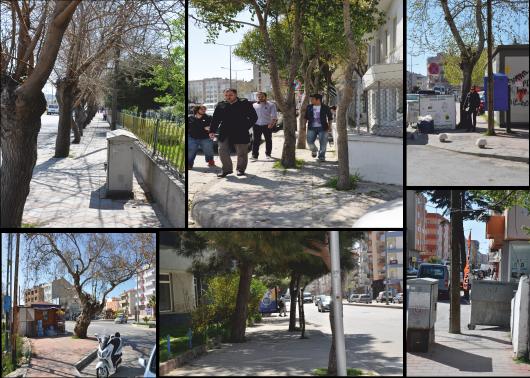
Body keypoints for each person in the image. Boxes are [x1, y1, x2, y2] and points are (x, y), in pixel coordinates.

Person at [209, 88, 258, 177]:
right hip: (225, 131)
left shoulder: (244, 103)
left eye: (230, 95)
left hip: (240, 131)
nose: (228, 97)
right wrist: (212, 131)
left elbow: (254, 117)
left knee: (241, 152)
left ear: (235, 95)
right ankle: (227, 169)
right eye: (226, 95)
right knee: (222, 150)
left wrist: (245, 127)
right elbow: (215, 119)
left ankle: (240, 169)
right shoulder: (221, 105)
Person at [304, 93, 333, 162]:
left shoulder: (325, 107)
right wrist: (303, 125)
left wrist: (330, 126)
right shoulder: (309, 107)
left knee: (323, 143)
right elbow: (306, 117)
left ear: (318, 100)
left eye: (312, 99)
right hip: (311, 127)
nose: (311, 100)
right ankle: (314, 150)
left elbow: (330, 117)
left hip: (323, 128)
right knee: (309, 141)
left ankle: (321, 156)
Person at [251, 92, 277, 161]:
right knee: (256, 141)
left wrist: (272, 124)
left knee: (268, 140)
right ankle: (254, 156)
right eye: (258, 97)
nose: (260, 98)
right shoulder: (254, 105)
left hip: (267, 125)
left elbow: (274, 116)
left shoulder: (271, 105)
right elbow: (251, 116)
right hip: (256, 125)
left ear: (265, 97)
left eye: (262, 96)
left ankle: (268, 154)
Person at [188, 105, 215, 169]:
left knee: (208, 150)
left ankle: (210, 160)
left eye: (204, 109)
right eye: (202, 109)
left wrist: (210, 129)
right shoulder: (190, 118)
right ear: (197, 110)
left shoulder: (208, 117)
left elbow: (212, 126)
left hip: (205, 138)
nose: (204, 111)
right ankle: (189, 164)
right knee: (191, 150)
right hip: (192, 137)